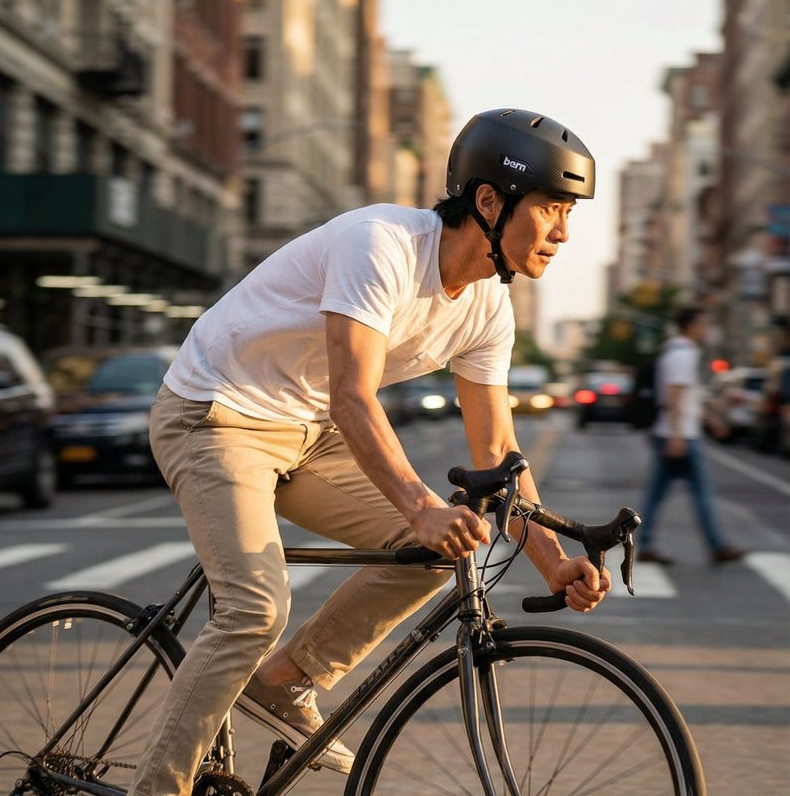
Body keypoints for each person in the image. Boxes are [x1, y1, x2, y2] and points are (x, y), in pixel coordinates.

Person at [130, 108, 611, 796]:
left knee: (438, 550)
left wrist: (554, 562)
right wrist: (420, 506)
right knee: (253, 610)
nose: (563, 233)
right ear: (489, 201)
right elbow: (352, 397)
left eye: (568, 214)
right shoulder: (380, 245)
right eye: (551, 209)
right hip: (215, 414)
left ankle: (283, 680)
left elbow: (500, 451)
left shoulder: (487, 307)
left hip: (305, 431)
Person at [637, 306, 746, 566]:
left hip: (676, 432)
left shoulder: (675, 351)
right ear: (692, 326)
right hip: (680, 435)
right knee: (702, 492)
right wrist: (676, 435)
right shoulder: (682, 354)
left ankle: (645, 545)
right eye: (703, 324)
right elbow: (674, 396)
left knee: (657, 494)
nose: (706, 329)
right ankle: (717, 546)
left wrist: (712, 420)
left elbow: (688, 398)